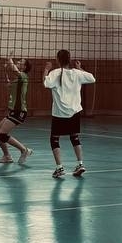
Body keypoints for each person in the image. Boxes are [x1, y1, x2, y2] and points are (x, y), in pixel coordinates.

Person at [43, 50, 95, 178]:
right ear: (69, 59)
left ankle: (59, 168)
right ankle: (80, 164)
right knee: (74, 137)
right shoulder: (77, 73)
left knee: (54, 139)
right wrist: (80, 68)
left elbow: (45, 83)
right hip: (74, 112)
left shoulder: (55, 73)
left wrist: (46, 69)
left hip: (59, 113)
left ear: (58, 60)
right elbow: (92, 78)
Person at [0, 57, 34, 165]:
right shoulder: (17, 80)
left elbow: (15, 71)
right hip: (13, 111)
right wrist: (6, 75)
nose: (18, 62)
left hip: (20, 111)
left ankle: (24, 150)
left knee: (2, 134)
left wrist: (10, 60)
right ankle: (7, 156)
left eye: (21, 62)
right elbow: (9, 85)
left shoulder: (24, 76)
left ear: (24, 67)